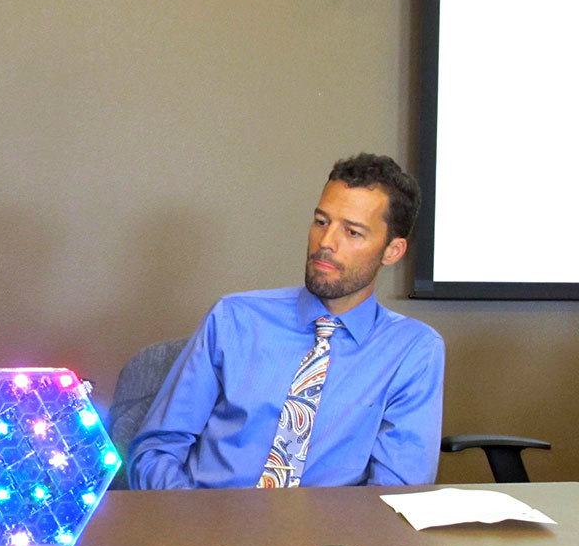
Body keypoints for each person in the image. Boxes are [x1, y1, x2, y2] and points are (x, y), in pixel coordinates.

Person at [128, 153, 444, 489]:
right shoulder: (235, 318)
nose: (326, 243)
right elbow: (154, 451)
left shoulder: (413, 351)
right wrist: (194, 528)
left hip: (328, 539)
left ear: (392, 251)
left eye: (352, 232)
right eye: (322, 222)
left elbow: (396, 492)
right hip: (206, 525)